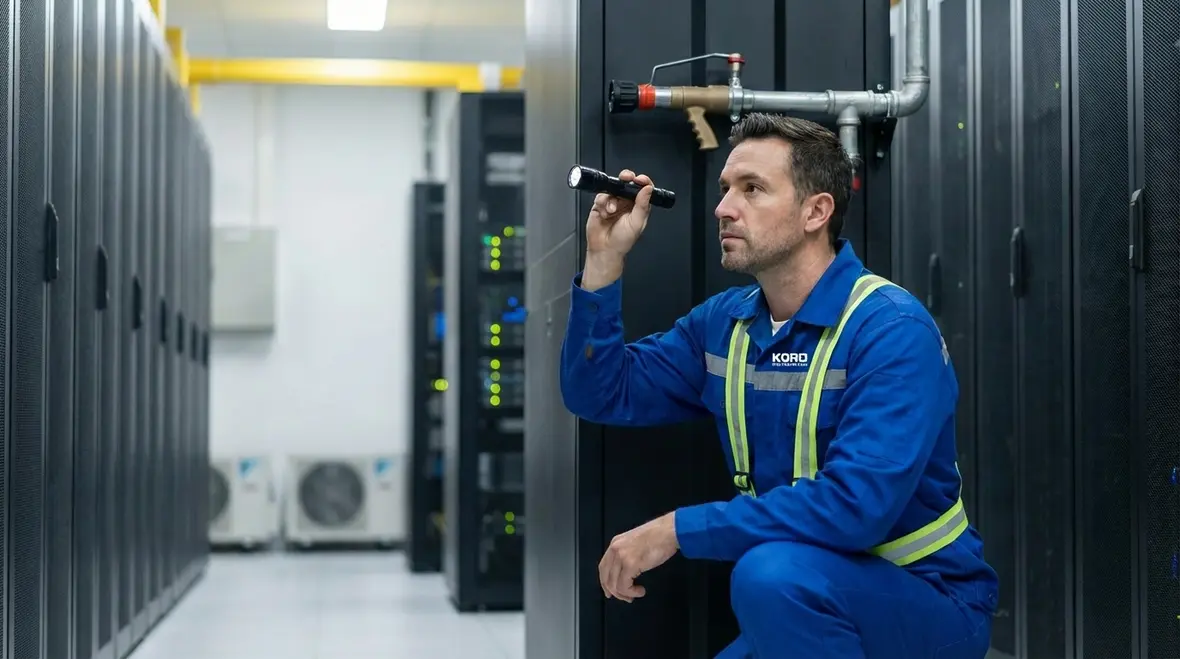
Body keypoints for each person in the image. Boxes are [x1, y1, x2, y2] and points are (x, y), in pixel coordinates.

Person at [558, 113, 998, 659]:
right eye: (725, 189)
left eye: (752, 189)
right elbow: (600, 391)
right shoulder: (726, 325)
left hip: (927, 606)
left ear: (817, 211)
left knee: (769, 573)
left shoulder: (889, 329)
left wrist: (676, 529)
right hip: (809, 602)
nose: (723, 208)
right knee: (773, 575)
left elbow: (854, 507)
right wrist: (603, 260)